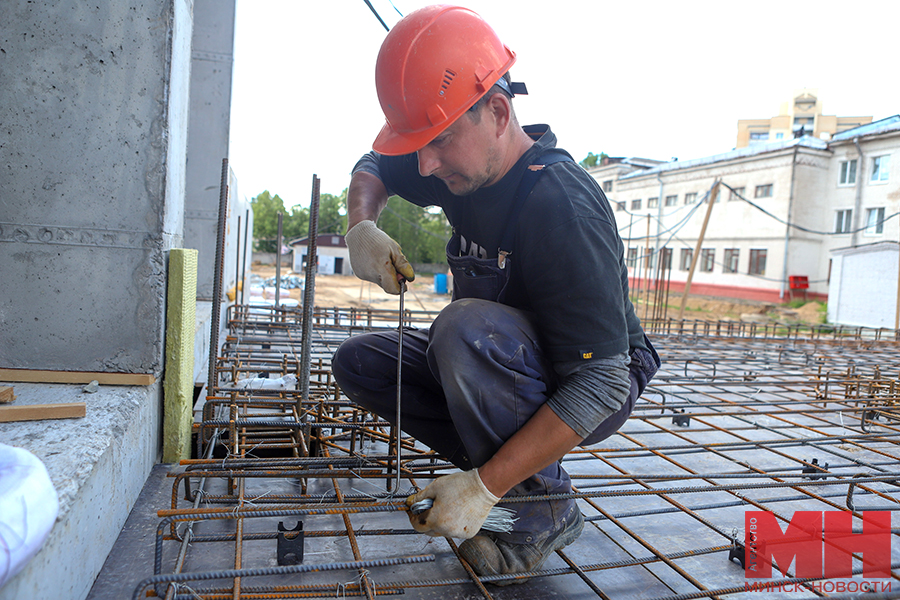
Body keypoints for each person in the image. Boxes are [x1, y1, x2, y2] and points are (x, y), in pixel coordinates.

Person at [332, 4, 659, 584]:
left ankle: (539, 505)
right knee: (360, 363)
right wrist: (362, 226)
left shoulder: (561, 206)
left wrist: (484, 487)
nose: (425, 166)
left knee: (461, 328)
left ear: (499, 111)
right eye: (420, 145)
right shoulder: (458, 161)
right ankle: (501, 476)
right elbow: (374, 164)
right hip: (496, 359)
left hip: (594, 377)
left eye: (439, 141)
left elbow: (603, 380)